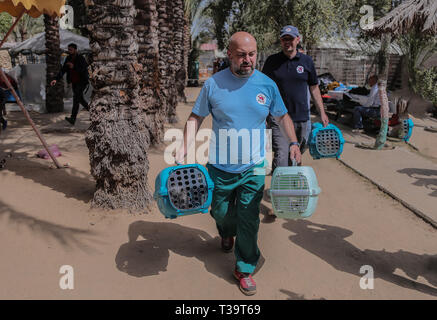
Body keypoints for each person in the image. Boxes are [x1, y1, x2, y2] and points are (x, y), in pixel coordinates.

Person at [175, 32, 302, 296]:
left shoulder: (267, 85)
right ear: (230, 55)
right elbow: (196, 117)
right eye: (242, 54)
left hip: (254, 165)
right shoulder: (214, 85)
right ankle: (226, 231)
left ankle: (244, 268)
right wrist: (184, 146)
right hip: (220, 165)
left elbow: (282, 116)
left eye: (252, 54)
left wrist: (293, 142)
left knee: (249, 217)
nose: (248, 60)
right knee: (220, 211)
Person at [262, 26, 329, 168]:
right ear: (280, 41)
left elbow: (314, 88)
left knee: (297, 153)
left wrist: (322, 112)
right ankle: (279, 187)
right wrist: (263, 115)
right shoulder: (272, 62)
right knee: (281, 154)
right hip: (278, 118)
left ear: (297, 40)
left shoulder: (307, 62)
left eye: (290, 39)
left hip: (302, 117)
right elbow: (263, 90)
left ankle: (294, 184)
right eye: (284, 39)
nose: (287, 42)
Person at [51, 43, 89, 125]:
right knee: (80, 99)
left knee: (76, 99)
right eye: (68, 49)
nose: (69, 51)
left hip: (82, 82)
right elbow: (63, 70)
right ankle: (92, 112)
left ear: (75, 50)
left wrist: (73, 66)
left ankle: (73, 118)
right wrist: (55, 79)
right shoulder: (68, 58)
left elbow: (84, 70)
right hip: (74, 82)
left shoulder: (80, 58)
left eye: (71, 50)